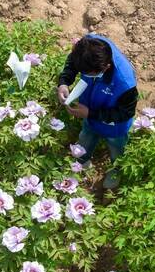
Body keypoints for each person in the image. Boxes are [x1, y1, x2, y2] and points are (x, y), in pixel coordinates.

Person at [56, 34, 138, 190]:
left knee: (117, 149)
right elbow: (73, 63)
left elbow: (125, 113)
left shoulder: (125, 83)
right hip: (88, 112)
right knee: (86, 137)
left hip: (114, 127)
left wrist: (91, 114)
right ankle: (81, 162)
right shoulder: (88, 47)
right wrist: (64, 82)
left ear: (105, 68)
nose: (84, 76)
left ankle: (116, 170)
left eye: (89, 74)